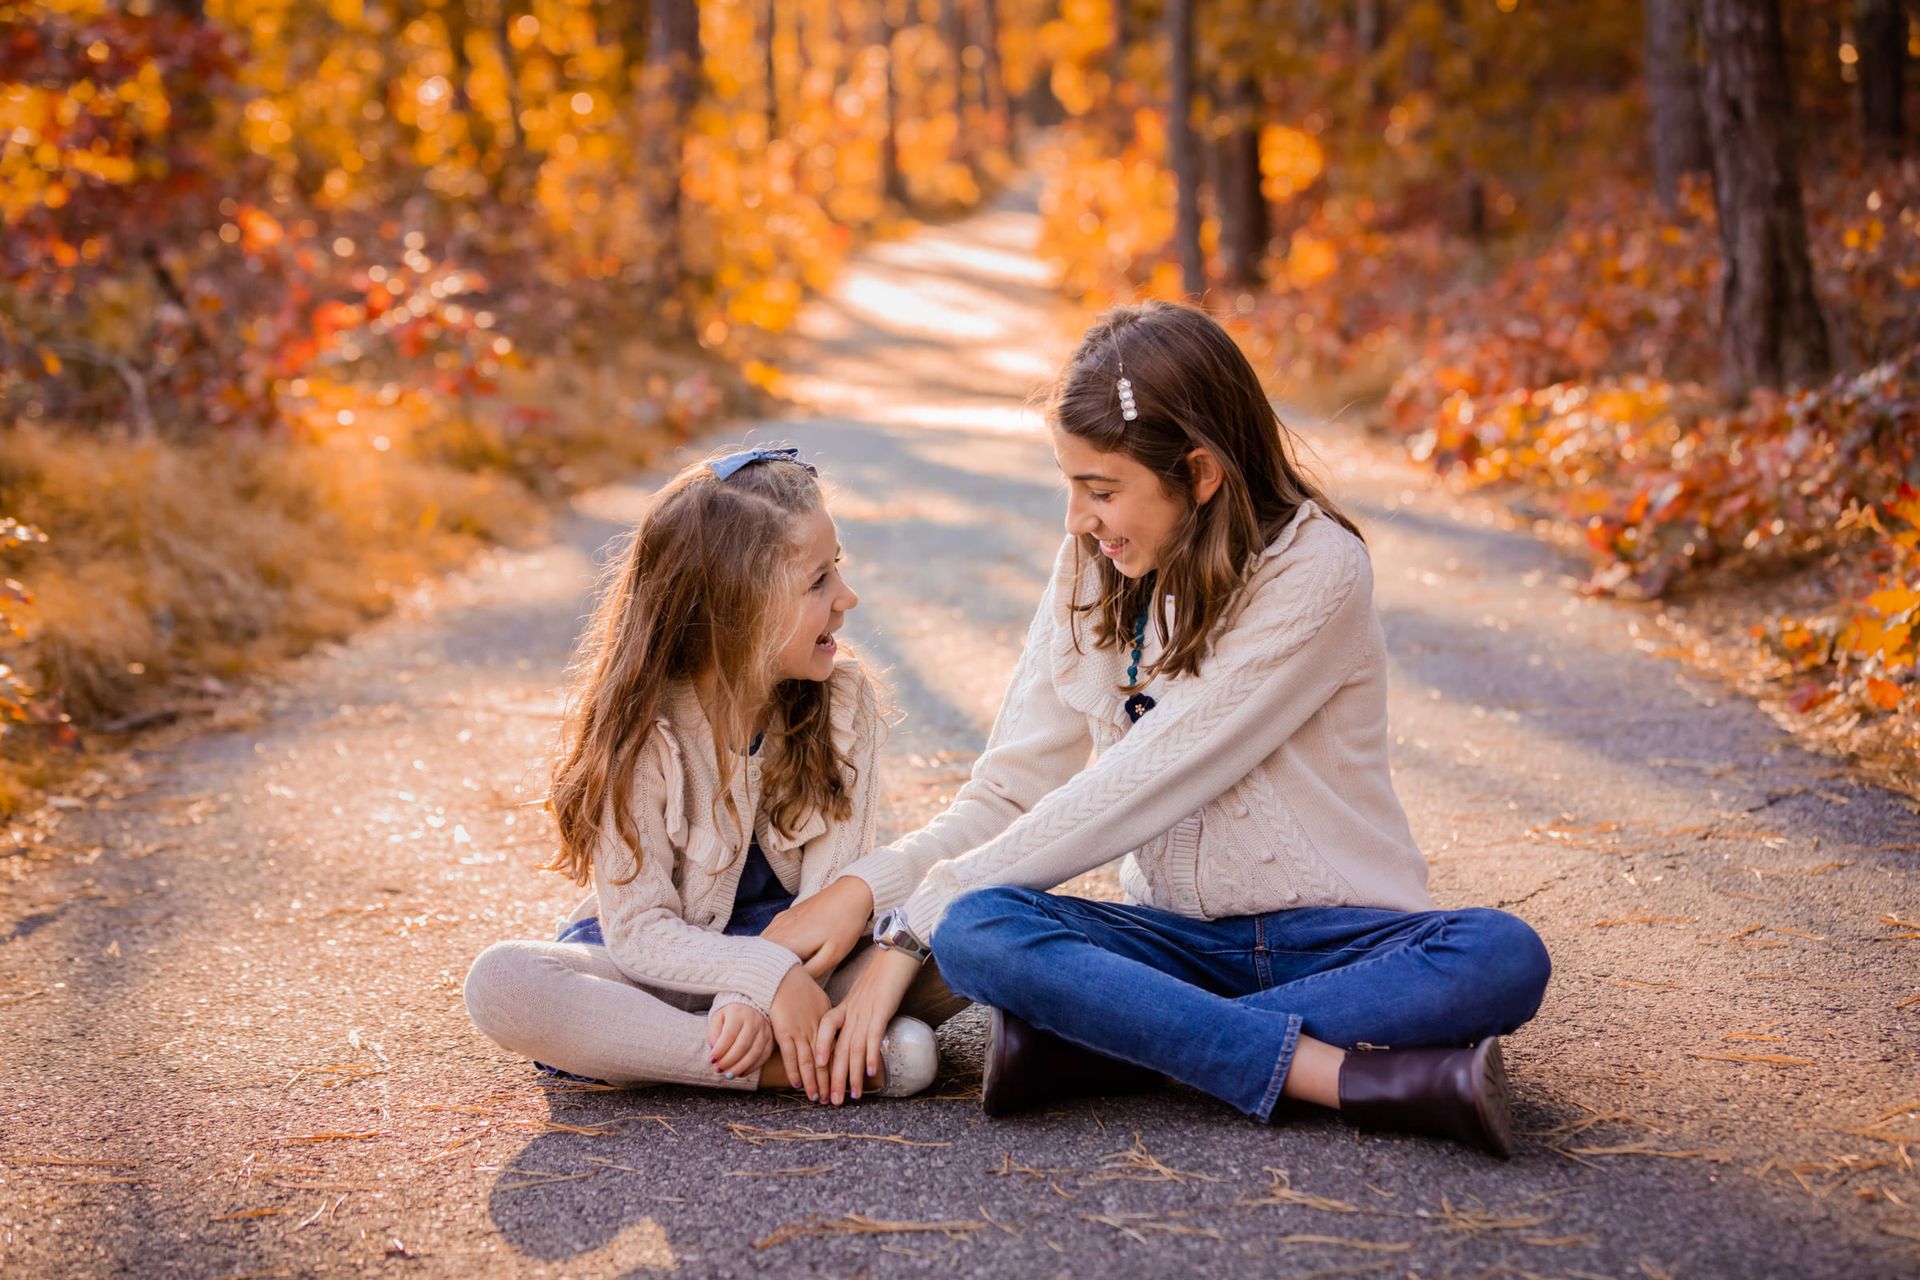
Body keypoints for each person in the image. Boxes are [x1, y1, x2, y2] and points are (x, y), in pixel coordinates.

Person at [781, 302, 1552, 1155]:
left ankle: (1109, 1049)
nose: (1077, 519)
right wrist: (882, 895)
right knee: (980, 929)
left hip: (1339, 943)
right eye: (1072, 486)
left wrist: (911, 929)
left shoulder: (1318, 569)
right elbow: (1008, 790)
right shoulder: (1095, 563)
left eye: (1102, 490)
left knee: (1500, 955)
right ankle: (1339, 1073)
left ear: (1201, 473)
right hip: (1172, 946)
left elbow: (1148, 778)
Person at [463, 447, 965, 1103]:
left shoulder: (843, 700)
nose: (847, 597)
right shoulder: (642, 731)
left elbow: (828, 892)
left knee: (963, 927)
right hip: (662, 972)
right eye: (817, 582)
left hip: (814, 962)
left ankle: (687, 1049)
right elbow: (641, 934)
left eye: (836, 568)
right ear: (735, 611)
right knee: (502, 981)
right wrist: (760, 978)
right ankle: (791, 1065)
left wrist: (760, 990)